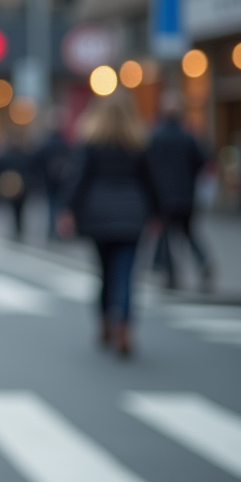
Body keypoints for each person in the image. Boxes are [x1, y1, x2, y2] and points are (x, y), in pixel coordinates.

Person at [59, 92, 154, 357]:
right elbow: (151, 181)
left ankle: (104, 323)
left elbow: (78, 178)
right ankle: (123, 325)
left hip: (98, 213)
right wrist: (157, 213)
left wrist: (67, 209)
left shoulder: (91, 140)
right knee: (125, 274)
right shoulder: (139, 141)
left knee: (104, 273)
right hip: (133, 212)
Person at [144, 91, 213, 291]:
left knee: (165, 236)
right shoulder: (188, 137)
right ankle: (203, 261)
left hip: (162, 196)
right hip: (186, 195)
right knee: (188, 233)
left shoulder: (154, 137)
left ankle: (172, 275)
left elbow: (147, 168)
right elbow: (202, 162)